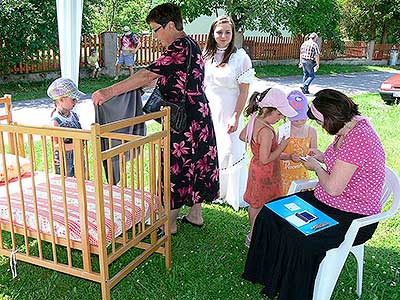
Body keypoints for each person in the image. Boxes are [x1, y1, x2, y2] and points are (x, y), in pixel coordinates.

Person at [243, 89, 386, 300]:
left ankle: (292, 291)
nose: (320, 126)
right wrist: (322, 156)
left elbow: (333, 188)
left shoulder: (359, 138)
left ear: (332, 118)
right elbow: (343, 165)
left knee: (301, 237)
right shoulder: (349, 127)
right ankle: (268, 275)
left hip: (352, 214)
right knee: (271, 213)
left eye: (321, 122)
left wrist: (316, 167)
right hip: (329, 202)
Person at [92, 3, 219, 235]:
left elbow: (146, 74)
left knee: (175, 169)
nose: (154, 35)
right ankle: (195, 214)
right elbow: (173, 77)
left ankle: (168, 225)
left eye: (156, 29)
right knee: (197, 163)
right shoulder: (191, 45)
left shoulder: (179, 46)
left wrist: (108, 92)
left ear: (170, 25)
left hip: (184, 120)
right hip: (197, 115)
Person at [203, 16, 254, 211]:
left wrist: (235, 115)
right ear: (212, 33)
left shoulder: (240, 57)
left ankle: (233, 194)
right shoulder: (207, 56)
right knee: (214, 149)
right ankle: (215, 190)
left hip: (231, 109)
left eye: (227, 32)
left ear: (233, 34)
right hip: (210, 110)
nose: (223, 36)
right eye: (219, 32)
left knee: (232, 149)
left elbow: (244, 91)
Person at [239, 87, 297, 247]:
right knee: (265, 204)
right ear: (266, 109)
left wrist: (288, 156)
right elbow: (266, 159)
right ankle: (256, 235)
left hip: (255, 170)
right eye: (279, 114)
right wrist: (282, 147)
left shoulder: (255, 120)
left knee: (255, 203)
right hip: (266, 173)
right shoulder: (266, 132)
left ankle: (254, 233)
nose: (281, 118)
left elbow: (243, 136)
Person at [279, 89, 318, 194]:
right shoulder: (284, 130)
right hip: (284, 176)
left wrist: (310, 157)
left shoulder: (312, 131)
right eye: (296, 119)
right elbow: (276, 154)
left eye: (303, 118)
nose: (300, 122)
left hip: (302, 175)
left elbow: (314, 152)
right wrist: (289, 156)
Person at [47, 78, 85, 177]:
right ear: (61, 100)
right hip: (63, 160)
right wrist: (76, 145)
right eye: (73, 99)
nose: (75, 101)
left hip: (78, 157)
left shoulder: (74, 116)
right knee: (65, 183)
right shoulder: (55, 121)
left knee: (81, 179)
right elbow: (56, 145)